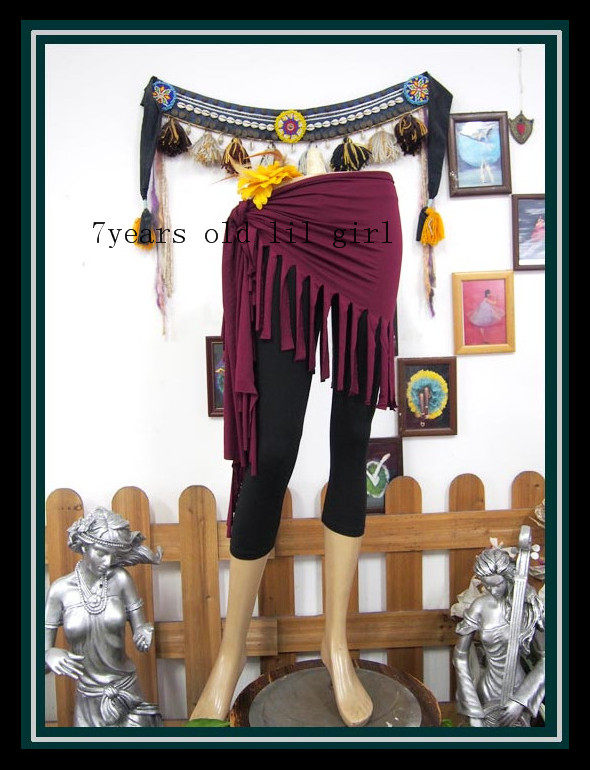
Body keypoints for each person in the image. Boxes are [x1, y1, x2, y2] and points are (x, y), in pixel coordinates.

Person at [45, 507, 163, 726]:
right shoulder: (59, 591)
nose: (108, 562)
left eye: (113, 554)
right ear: (84, 546)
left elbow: (140, 629)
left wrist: (144, 632)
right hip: (88, 699)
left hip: (126, 693)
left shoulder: (121, 580)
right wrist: (47, 655)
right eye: (101, 552)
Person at [453, 548, 545, 727]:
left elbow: (547, 659)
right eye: (487, 586)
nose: (493, 591)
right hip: (486, 690)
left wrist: (522, 700)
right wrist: (472, 707)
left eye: (498, 584)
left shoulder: (528, 607)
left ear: (508, 577)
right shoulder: (480, 606)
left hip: (519, 689)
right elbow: (460, 655)